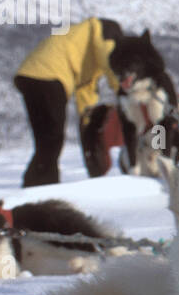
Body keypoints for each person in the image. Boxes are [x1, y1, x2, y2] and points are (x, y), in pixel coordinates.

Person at [14, 17, 122, 186]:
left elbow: (86, 91)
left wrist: (88, 119)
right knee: (52, 138)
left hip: (28, 76)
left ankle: (34, 184)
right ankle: (44, 186)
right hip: (48, 75)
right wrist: (121, 90)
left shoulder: (86, 52)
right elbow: (109, 60)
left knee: (46, 139)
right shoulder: (106, 31)